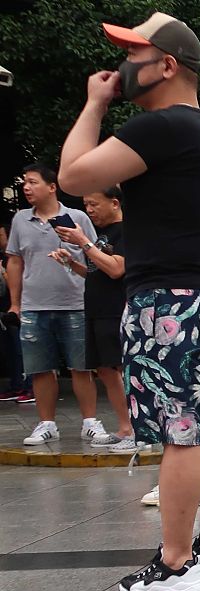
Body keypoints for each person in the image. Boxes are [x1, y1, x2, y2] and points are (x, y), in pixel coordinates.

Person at [59, 11, 200, 591]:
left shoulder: (163, 126)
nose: (121, 68)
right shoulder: (194, 130)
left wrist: (94, 104)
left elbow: (71, 175)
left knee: (179, 431)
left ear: (166, 66)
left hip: (164, 301)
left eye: (133, 56)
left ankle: (175, 565)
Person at [4, 163, 112, 446]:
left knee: (82, 367)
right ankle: (47, 423)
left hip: (75, 303)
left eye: (32, 182)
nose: (26, 187)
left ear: (52, 187)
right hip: (33, 305)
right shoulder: (19, 220)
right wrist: (15, 304)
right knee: (40, 367)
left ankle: (90, 422)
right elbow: (14, 260)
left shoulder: (76, 217)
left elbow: (95, 254)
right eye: (24, 183)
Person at [50, 186, 138, 452]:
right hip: (96, 309)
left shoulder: (128, 231)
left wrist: (83, 243)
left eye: (93, 204)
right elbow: (95, 272)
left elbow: (115, 269)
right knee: (105, 370)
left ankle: (136, 430)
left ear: (114, 203)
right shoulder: (102, 235)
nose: (89, 210)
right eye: (86, 204)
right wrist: (70, 263)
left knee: (120, 369)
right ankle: (125, 428)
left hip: (117, 310)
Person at [0, 225, 33, 403]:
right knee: (12, 350)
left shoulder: (17, 258)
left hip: (24, 306)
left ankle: (29, 387)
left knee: (23, 349)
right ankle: (16, 385)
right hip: (9, 309)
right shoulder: (9, 259)